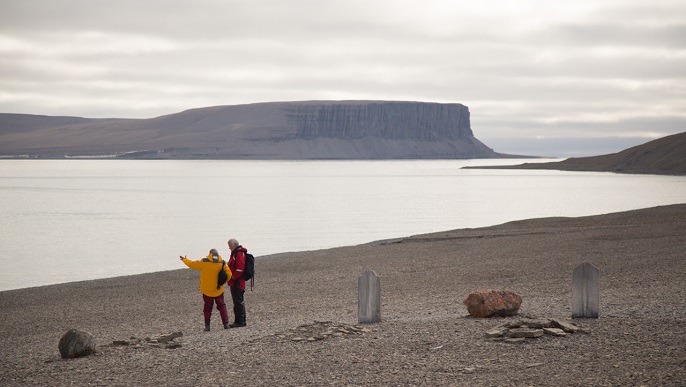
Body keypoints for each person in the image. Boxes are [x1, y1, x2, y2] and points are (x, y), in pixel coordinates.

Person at [180, 248, 233, 331]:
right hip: (218, 289)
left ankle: (207, 326)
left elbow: (192, 264)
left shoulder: (204, 262)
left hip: (206, 289)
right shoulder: (222, 262)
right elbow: (229, 274)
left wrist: (184, 259)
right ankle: (226, 324)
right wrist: (222, 282)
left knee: (207, 308)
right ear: (217, 254)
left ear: (210, 254)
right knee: (222, 305)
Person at [227, 238, 249, 328]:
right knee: (238, 301)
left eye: (229, 245)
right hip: (236, 282)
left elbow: (240, 268)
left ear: (234, 244)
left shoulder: (239, 253)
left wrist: (233, 277)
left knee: (238, 302)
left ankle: (240, 321)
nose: (229, 247)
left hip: (237, 282)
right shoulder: (236, 253)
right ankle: (241, 321)